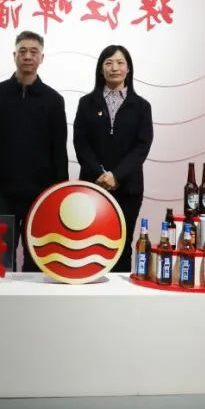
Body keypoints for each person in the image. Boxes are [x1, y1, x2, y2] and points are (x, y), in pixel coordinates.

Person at [0, 31, 68, 272]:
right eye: (23, 51)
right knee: (2, 255)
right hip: (3, 191)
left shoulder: (53, 100)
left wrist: (60, 189)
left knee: (37, 254)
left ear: (42, 58)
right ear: (14, 55)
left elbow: (59, 150)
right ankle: (2, 295)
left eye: (33, 52)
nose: (28, 56)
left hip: (40, 192)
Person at [72, 44, 154, 273]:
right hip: (93, 185)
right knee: (89, 242)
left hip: (128, 188)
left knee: (121, 245)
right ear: (101, 69)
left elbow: (142, 146)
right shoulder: (87, 103)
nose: (114, 68)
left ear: (128, 69)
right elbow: (81, 143)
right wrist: (100, 174)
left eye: (120, 63)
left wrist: (117, 176)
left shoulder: (141, 107)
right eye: (108, 63)